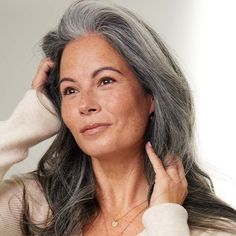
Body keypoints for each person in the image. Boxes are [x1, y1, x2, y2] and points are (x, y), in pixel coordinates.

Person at [0, 0, 236, 235]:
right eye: (70, 90)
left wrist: (166, 220)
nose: (85, 105)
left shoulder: (214, 230)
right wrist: (25, 123)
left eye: (105, 81)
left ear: (151, 96)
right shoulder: (31, 209)